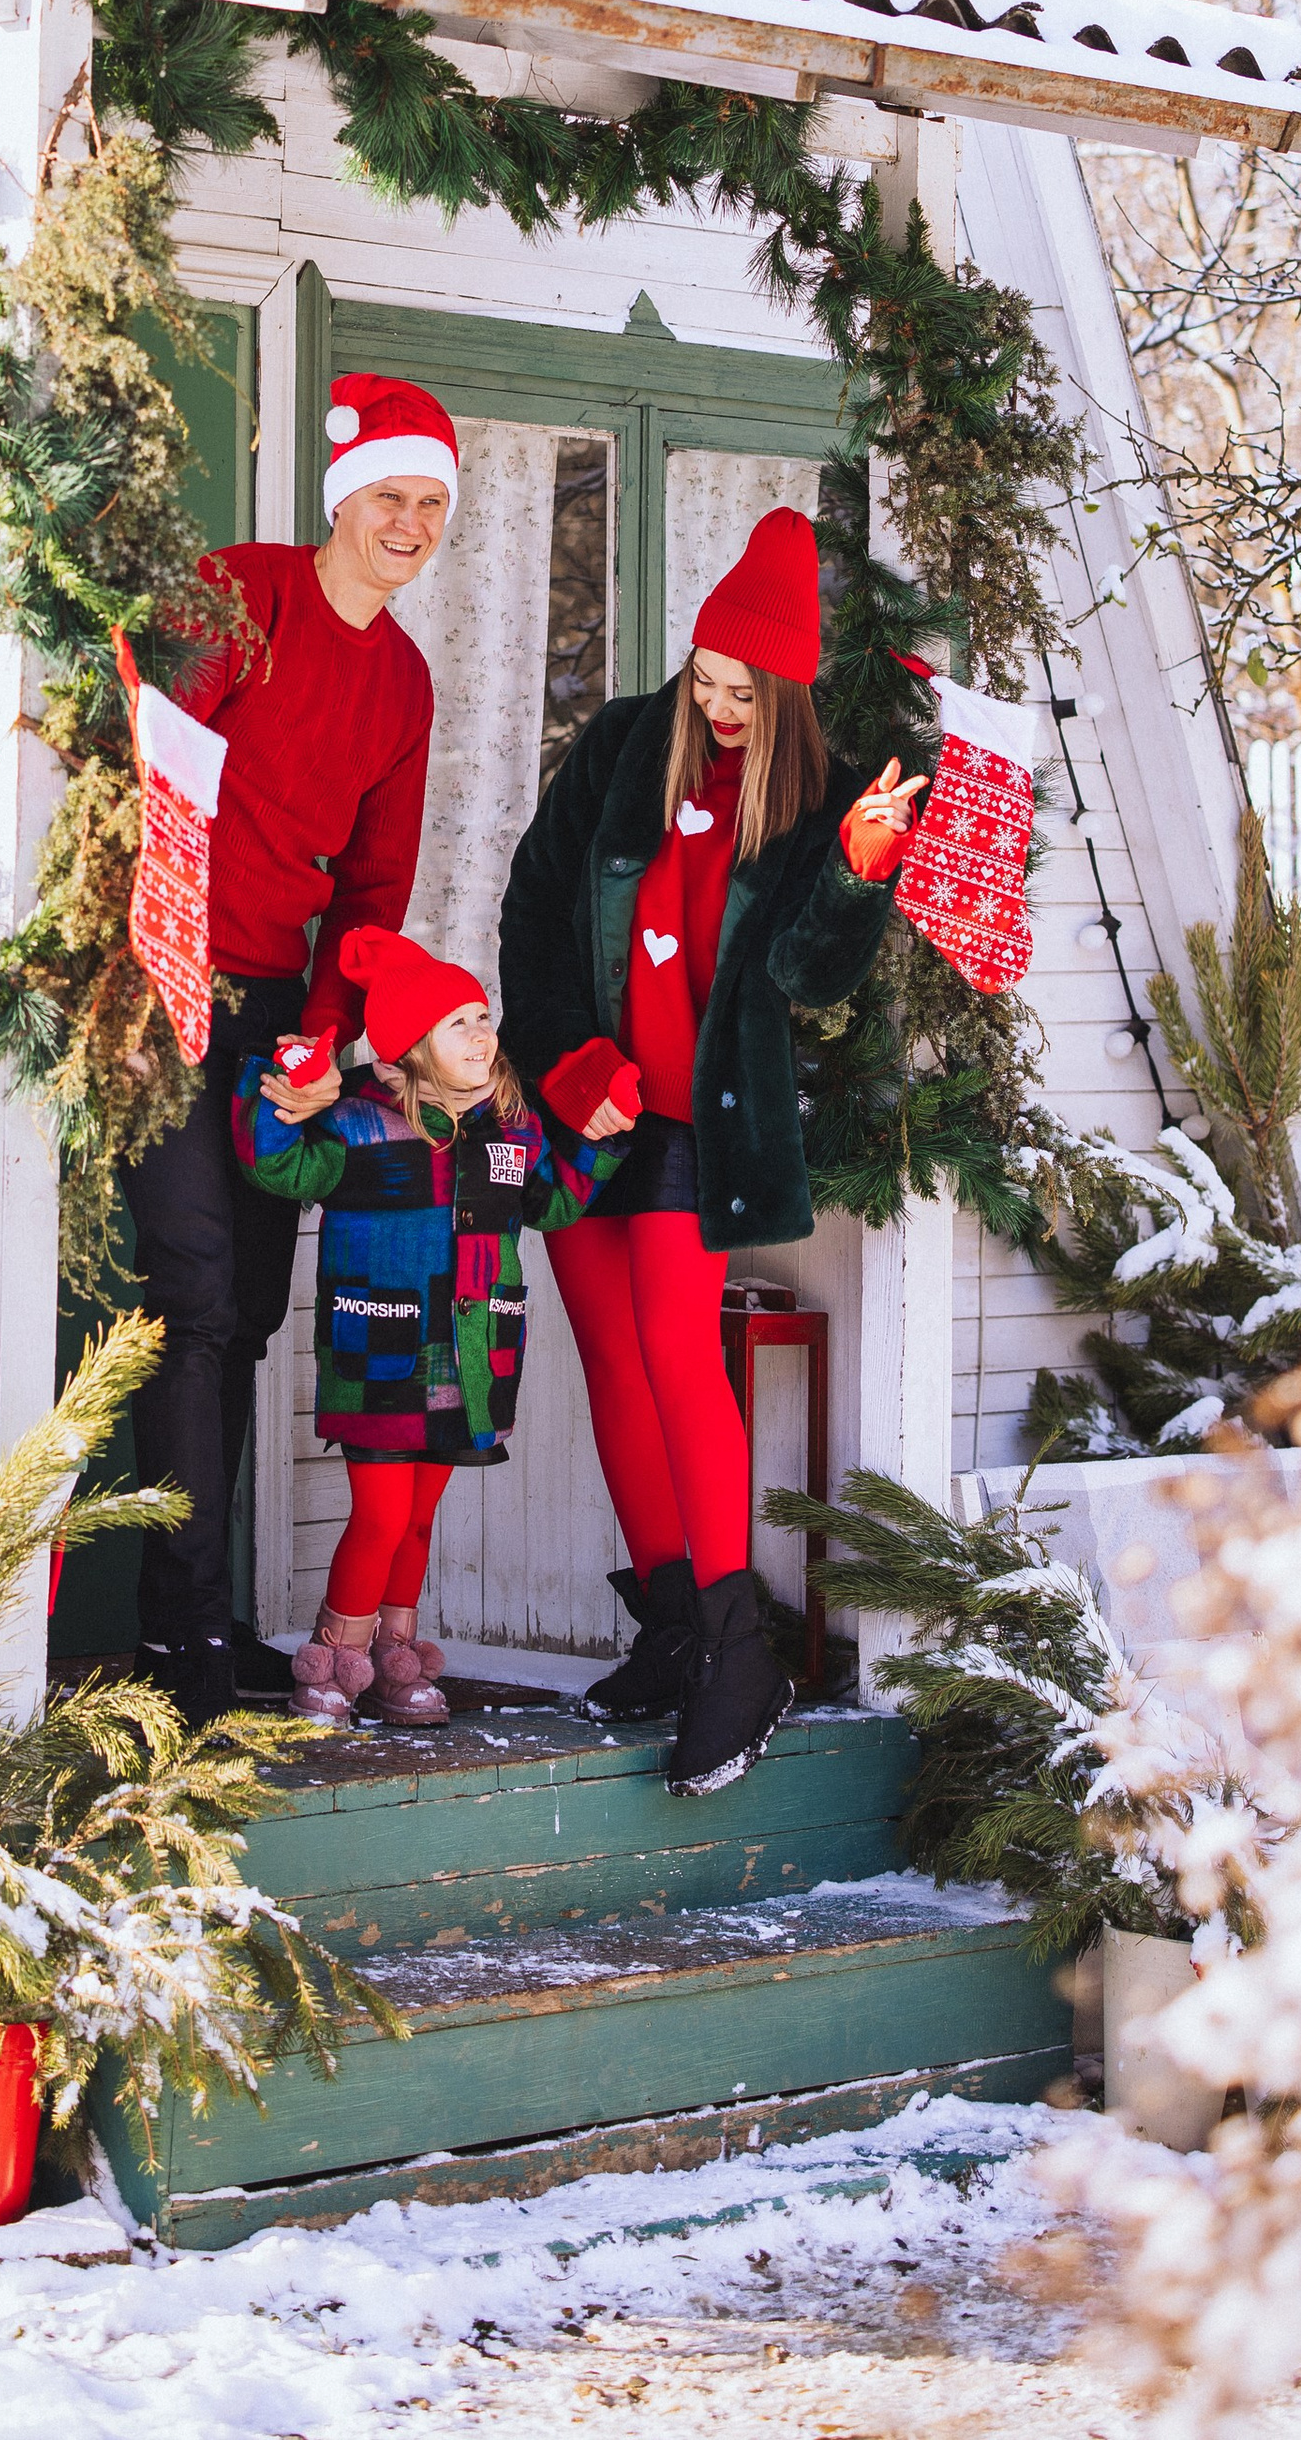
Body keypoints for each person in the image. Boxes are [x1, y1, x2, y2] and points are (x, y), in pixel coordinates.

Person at [498, 505, 924, 1795]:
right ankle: (674, 1621)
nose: (721, 705)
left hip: (697, 1120)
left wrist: (856, 870)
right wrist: (570, 1060)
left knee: (681, 1356)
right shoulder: (624, 744)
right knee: (610, 1360)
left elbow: (805, 969)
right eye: (707, 679)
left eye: (746, 689)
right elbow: (531, 905)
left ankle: (742, 1649)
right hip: (585, 1105)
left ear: (785, 691)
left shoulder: (809, 798)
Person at [128, 372, 457, 1725]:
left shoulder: (406, 682)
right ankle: (188, 1635)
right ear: (343, 498)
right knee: (199, 1298)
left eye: (433, 504)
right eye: (393, 496)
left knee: (248, 1313)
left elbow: (374, 894)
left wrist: (324, 1038)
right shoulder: (245, 594)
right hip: (164, 980)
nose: (412, 523)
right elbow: (153, 762)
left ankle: (201, 1615)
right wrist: (153, 954)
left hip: (279, 1015)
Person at [235, 925, 616, 1727]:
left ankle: (395, 1659)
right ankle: (334, 1656)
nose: (483, 1034)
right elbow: (279, 1164)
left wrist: (598, 1139)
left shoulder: (513, 1132)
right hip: (379, 1352)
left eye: (484, 1016)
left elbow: (555, 1204)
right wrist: (278, 1087)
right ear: (409, 1047)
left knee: (416, 1517)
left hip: (470, 1356)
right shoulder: (359, 1129)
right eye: (458, 1023)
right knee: (377, 1514)